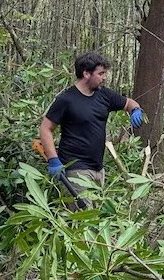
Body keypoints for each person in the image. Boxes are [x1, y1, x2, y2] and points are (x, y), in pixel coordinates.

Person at [39, 51, 144, 207]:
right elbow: (45, 128)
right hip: (76, 169)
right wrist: (53, 159)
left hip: (98, 169)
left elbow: (128, 102)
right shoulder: (66, 99)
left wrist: (135, 110)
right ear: (86, 73)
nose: (104, 77)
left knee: (97, 216)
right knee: (83, 217)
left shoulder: (104, 95)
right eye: (100, 73)